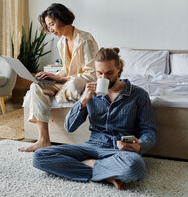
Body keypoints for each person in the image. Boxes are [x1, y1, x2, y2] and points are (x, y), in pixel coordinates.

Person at [32, 47, 158, 190]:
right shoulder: (89, 93)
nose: (103, 78)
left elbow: (150, 132)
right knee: (40, 156)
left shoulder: (139, 95)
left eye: (109, 73)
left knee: (135, 167)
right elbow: (69, 127)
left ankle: (90, 164)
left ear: (119, 68)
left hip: (119, 151)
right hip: (91, 146)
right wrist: (83, 100)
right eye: (99, 73)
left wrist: (139, 145)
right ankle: (107, 175)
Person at [18, 3, 99, 152]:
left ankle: (61, 93)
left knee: (75, 83)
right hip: (67, 81)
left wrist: (61, 79)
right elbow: (66, 70)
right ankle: (43, 140)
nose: (51, 30)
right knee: (36, 86)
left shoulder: (85, 39)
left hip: (82, 81)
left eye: (52, 24)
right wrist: (53, 76)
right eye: (48, 26)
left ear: (62, 19)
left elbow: (93, 73)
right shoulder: (61, 42)